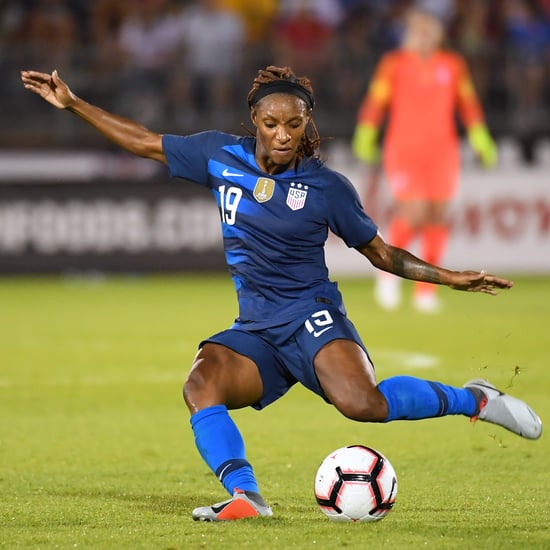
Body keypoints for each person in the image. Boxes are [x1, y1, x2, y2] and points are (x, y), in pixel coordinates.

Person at [21, 64, 541, 522]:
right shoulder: (217, 156)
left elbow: (382, 254)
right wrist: (73, 104)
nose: (284, 134)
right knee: (200, 384)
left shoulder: (327, 188)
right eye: (272, 124)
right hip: (257, 330)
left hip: (311, 316)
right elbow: (144, 141)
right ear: (255, 121)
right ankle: (247, 497)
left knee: (364, 404)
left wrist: (451, 277)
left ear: (307, 123)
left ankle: (473, 399)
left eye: (295, 124)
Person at [352, 7, 498, 313]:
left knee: (438, 215)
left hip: (443, 151)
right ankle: (388, 273)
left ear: (438, 35)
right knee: (415, 212)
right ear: (408, 35)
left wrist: (480, 137)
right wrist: (365, 132)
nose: (424, 38)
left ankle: (425, 289)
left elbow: (468, 103)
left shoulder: (452, 65)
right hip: (404, 150)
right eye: (418, 32)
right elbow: (376, 101)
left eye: (429, 32)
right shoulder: (394, 65)